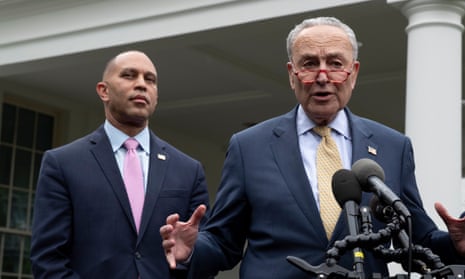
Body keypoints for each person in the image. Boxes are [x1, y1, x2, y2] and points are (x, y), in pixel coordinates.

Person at [160, 17, 465, 279]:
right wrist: (191, 250)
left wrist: (455, 244)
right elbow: (223, 242)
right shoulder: (248, 147)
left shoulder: (393, 146)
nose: (322, 76)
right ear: (292, 74)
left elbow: (417, 240)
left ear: (354, 72)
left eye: (335, 63)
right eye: (309, 64)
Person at [30, 50, 210, 279]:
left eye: (150, 80)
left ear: (156, 96)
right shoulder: (63, 164)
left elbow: (206, 256)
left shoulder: (188, 170)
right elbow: (48, 260)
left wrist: (192, 254)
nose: (141, 85)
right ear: (103, 91)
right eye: (129, 75)